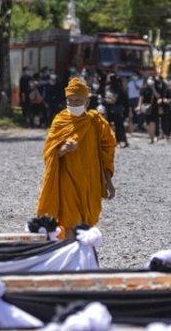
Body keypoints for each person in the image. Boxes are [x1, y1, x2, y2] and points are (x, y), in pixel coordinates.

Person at [36, 78, 117, 239]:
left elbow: (106, 154)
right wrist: (63, 149)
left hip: (90, 182)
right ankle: (72, 257)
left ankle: (82, 256)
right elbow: (49, 152)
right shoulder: (60, 121)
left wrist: (109, 181)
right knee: (70, 221)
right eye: (70, 101)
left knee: (87, 223)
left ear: (87, 101)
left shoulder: (96, 122)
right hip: (68, 180)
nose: (73, 104)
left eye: (78, 100)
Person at [138, 77, 161, 144]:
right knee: (147, 123)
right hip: (145, 107)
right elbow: (141, 98)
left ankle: (153, 137)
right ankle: (150, 137)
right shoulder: (143, 88)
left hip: (154, 107)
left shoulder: (156, 88)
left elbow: (158, 96)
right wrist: (139, 106)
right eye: (149, 79)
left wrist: (153, 88)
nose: (151, 81)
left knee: (153, 122)